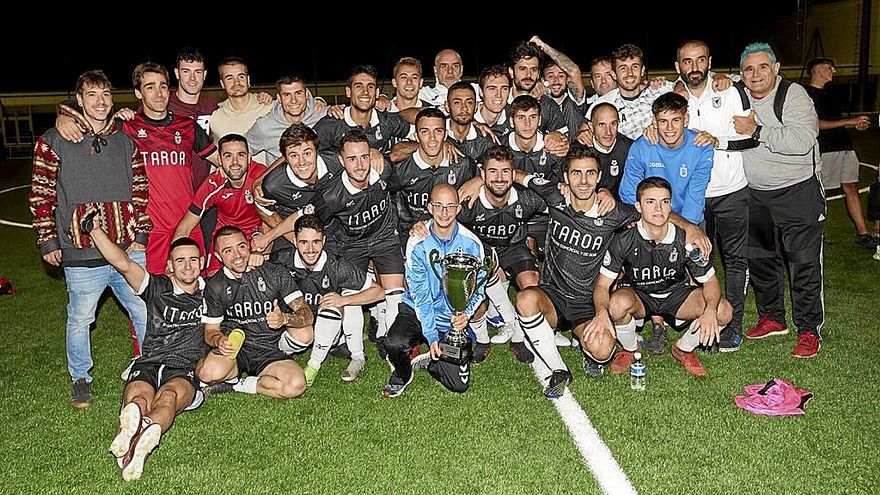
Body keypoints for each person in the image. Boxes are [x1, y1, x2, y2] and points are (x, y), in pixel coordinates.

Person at [29, 70, 150, 409]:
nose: (101, 102)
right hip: (81, 252)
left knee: (143, 311)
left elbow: (141, 190)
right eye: (92, 95)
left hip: (127, 251)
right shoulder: (54, 140)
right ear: (78, 100)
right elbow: (41, 194)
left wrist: (140, 233)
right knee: (81, 319)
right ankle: (81, 378)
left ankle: (151, 369)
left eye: (106, 94)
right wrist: (49, 240)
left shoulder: (126, 141)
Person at [85, 215, 205, 481]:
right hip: (149, 361)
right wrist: (95, 231)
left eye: (193, 260)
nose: (187, 266)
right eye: (180, 260)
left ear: (202, 263)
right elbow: (123, 263)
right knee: (138, 401)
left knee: (169, 398)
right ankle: (136, 429)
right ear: (170, 266)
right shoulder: (157, 287)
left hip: (182, 368)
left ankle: (140, 436)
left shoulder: (211, 293)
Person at [514, 145, 638, 398]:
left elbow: (653, 215)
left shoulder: (612, 211)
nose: (583, 181)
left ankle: (586, 348)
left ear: (599, 177)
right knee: (525, 298)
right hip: (553, 297)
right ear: (566, 177)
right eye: (577, 173)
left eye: (590, 173)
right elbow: (515, 175)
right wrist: (475, 181)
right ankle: (559, 369)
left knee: (603, 350)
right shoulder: (555, 197)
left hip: (587, 303)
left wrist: (690, 229)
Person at [589, 177, 733, 377]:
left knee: (723, 310)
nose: (659, 209)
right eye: (651, 202)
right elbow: (602, 286)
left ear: (670, 205)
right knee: (615, 305)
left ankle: (683, 348)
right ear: (638, 207)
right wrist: (601, 312)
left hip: (676, 295)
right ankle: (631, 349)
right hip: (640, 296)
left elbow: (710, 281)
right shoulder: (623, 240)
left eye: (664, 202)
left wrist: (709, 310)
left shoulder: (687, 240)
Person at [735, 42, 825, 358]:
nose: (755, 74)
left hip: (798, 191)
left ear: (776, 68)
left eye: (762, 67)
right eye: (748, 68)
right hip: (755, 193)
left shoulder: (794, 95)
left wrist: (756, 130)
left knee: (803, 264)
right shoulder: (738, 93)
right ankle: (772, 318)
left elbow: (802, 141)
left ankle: (808, 330)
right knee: (760, 259)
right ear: (741, 74)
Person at [671, 40, 757, 352]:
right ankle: (702, 319)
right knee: (696, 259)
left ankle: (731, 327)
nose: (694, 67)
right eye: (687, 61)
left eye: (700, 60)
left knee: (735, 261)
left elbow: (751, 138)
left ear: (710, 61)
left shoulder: (730, 90)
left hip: (732, 190)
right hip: (692, 197)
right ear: (677, 66)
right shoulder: (671, 96)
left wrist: (718, 142)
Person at [382, 184, 487, 398]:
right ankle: (403, 374)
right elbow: (421, 295)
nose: (444, 213)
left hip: (451, 316)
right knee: (393, 342)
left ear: (459, 208)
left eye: (450, 207)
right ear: (429, 207)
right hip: (417, 309)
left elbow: (479, 288)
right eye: (438, 206)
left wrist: (465, 314)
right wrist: (431, 336)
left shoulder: (472, 244)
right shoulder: (417, 241)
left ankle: (432, 362)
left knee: (459, 385)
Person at [197, 226, 314, 399]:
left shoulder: (274, 272)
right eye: (228, 250)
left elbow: (307, 314)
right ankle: (229, 373)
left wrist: (284, 318)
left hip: (270, 348)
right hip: (237, 349)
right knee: (207, 374)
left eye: (241, 246)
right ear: (218, 257)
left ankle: (239, 385)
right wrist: (219, 340)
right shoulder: (215, 286)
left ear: (249, 246)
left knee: (296, 386)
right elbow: (210, 331)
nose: (237, 255)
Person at [456, 146, 543, 358]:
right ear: (482, 174)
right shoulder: (468, 202)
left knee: (532, 284)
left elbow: (557, 203)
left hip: (513, 246)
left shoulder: (527, 199)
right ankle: (482, 339)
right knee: (468, 293)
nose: (499, 178)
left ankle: (519, 338)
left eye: (505, 171)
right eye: (493, 171)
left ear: (514, 175)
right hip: (481, 251)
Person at [282, 215, 384, 385]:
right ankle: (279, 354)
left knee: (347, 297)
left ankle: (317, 365)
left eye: (316, 242)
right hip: (298, 328)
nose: (310, 249)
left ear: (324, 240)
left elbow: (378, 292)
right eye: (303, 242)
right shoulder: (282, 261)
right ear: (294, 241)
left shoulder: (336, 265)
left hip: (328, 327)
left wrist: (345, 300)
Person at [804, 57, 876, 249]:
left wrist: (855, 125)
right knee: (821, 192)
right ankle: (815, 234)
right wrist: (849, 122)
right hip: (826, 150)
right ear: (817, 70)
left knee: (851, 186)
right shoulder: (805, 95)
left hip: (845, 146)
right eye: (829, 68)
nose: (833, 71)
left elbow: (835, 121)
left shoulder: (830, 93)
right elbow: (815, 125)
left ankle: (863, 233)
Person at [173, 134, 267, 275]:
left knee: (261, 278)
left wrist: (261, 249)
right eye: (228, 156)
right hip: (224, 240)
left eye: (240, 155)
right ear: (219, 160)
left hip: (256, 237)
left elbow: (272, 218)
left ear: (249, 158)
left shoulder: (261, 176)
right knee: (214, 280)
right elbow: (184, 228)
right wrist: (174, 266)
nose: (235, 162)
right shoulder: (213, 184)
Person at [619, 92, 714, 227]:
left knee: (696, 243)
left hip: (685, 217)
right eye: (663, 121)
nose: (670, 128)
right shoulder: (641, 146)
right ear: (654, 122)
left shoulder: (701, 147)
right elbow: (629, 192)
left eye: (675, 120)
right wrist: (643, 219)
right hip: (648, 216)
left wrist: (686, 228)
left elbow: (695, 196)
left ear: (685, 120)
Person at [313, 65, 412, 154]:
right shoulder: (329, 125)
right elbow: (310, 159)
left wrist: (387, 159)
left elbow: (420, 134)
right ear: (348, 92)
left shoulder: (387, 120)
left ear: (377, 93)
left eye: (370, 87)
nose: (365, 92)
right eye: (359, 86)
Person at [245, 74, 327, 165]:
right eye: (287, 95)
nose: (293, 100)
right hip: (280, 178)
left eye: (298, 93)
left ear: (306, 94)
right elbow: (241, 149)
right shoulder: (265, 126)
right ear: (279, 98)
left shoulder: (322, 116)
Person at [169, 47, 220, 189]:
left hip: (206, 191)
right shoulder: (163, 106)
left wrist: (260, 98)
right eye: (186, 71)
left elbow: (240, 106)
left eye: (197, 72)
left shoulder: (214, 106)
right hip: (173, 190)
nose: (192, 78)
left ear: (204, 75)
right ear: (176, 73)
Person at [530, 35, 588, 141]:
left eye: (561, 75)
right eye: (551, 76)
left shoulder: (575, 102)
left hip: (574, 155)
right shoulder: (537, 102)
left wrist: (543, 47)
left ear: (567, 80)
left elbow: (574, 70)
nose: (556, 81)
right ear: (542, 79)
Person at [209, 57, 273, 141]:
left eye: (241, 76)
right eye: (229, 78)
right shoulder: (215, 118)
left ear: (248, 80)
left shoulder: (269, 107)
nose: (236, 82)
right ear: (222, 84)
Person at [586, 102, 633, 199]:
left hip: (621, 207)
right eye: (602, 124)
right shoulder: (581, 151)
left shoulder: (631, 148)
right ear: (591, 127)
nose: (608, 132)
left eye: (613, 124)